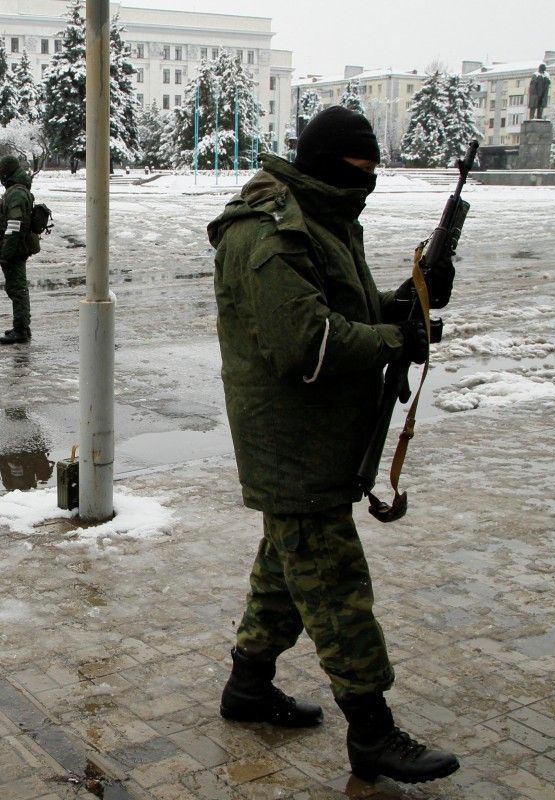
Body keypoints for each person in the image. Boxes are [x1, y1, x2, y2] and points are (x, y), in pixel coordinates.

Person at [206, 106, 459, 785]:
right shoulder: (269, 232)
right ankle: (372, 732)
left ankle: (248, 687)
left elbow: (336, 302)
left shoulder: (322, 216)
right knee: (334, 585)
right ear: (325, 165)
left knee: (285, 570)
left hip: (313, 438)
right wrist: (391, 339)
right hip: (291, 441)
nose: (367, 183)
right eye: (358, 170)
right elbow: (306, 341)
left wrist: (399, 304)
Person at [0, 155, 40, 345]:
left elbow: (15, 224)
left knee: (17, 289)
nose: (0, 177)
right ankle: (22, 326)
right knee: (16, 288)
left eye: (1, 173)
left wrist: (7, 252)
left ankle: (21, 330)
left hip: (15, 247)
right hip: (16, 245)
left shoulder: (16, 192)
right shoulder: (16, 189)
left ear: (8, 172)